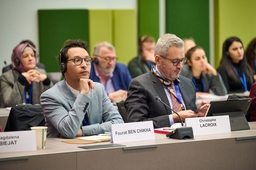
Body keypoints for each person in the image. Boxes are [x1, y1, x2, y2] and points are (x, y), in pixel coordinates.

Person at [40, 39, 123, 138]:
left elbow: (118, 123)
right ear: (63, 67)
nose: (84, 65)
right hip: (64, 150)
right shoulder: (50, 97)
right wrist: (83, 94)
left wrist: (83, 131)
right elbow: (69, 131)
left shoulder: (98, 89)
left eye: (87, 60)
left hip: (94, 149)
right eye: (77, 60)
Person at [124, 34, 209, 128]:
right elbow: (136, 125)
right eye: (175, 61)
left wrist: (197, 115)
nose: (180, 66)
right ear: (158, 60)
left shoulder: (188, 84)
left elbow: (189, 120)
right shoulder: (140, 85)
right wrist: (173, 118)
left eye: (182, 60)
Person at [0, 43, 53, 107]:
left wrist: (47, 82)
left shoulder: (41, 73)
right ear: (17, 60)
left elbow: (53, 100)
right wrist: (21, 80)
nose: (30, 58)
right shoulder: (6, 78)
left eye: (32, 55)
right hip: (17, 116)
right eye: (25, 56)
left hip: (37, 115)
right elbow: (9, 104)